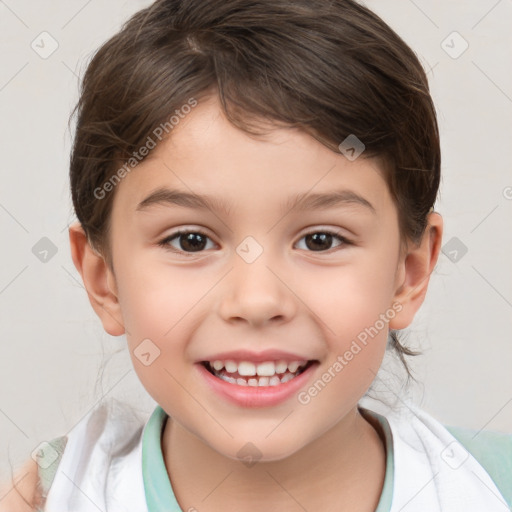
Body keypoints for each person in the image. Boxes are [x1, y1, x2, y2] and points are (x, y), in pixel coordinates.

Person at [1, 0, 510, 510]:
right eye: (191, 240)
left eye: (320, 240)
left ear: (409, 275)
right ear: (103, 279)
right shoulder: (56, 496)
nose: (258, 300)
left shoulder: (490, 488)